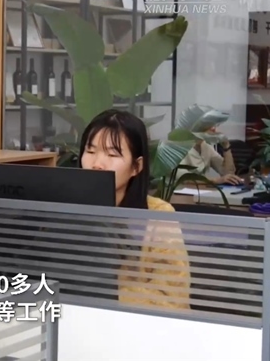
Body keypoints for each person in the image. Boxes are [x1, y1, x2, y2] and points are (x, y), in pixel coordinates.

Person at [79, 109, 191, 310]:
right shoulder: (68, 210)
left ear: (136, 166)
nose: (97, 164)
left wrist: (102, 292)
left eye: (112, 154)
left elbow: (172, 298)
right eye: (90, 151)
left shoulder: (158, 215)